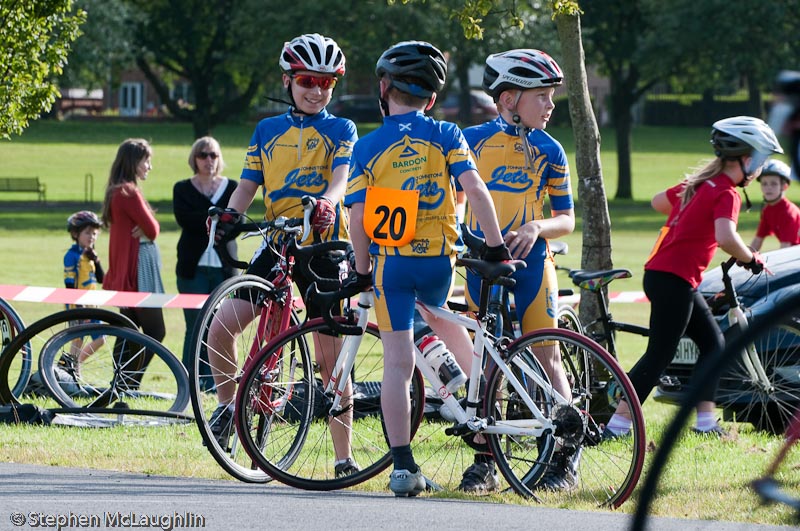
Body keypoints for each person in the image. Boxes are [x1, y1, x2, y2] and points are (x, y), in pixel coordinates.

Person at [344, 40, 510, 497]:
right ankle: (480, 426)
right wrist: (495, 247)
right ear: (432, 99)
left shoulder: (368, 146)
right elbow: (476, 190)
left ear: (384, 88)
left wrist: (361, 271)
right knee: (450, 332)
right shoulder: (448, 134)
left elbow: (357, 217)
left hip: (391, 267)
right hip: (438, 261)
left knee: (397, 365)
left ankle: (402, 467)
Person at [206, 33, 359, 476]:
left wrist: (328, 202)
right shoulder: (266, 130)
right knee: (220, 326)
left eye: (327, 83)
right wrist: (228, 216)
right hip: (278, 242)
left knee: (331, 358)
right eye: (308, 80)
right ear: (288, 80)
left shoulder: (341, 128)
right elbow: (248, 184)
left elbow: (341, 178)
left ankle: (343, 458)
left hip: (325, 246)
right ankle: (226, 408)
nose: (317, 91)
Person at [603, 116, 783, 440]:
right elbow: (726, 236)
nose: (759, 170)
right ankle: (616, 426)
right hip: (674, 278)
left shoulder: (700, 185)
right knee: (660, 355)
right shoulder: (726, 191)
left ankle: (705, 423)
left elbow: (659, 201)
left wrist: (693, 207)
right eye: (760, 160)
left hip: (667, 275)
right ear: (747, 158)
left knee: (713, 344)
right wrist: (751, 259)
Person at [460, 48, 576, 493]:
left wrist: (535, 225)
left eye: (551, 96)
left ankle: (565, 460)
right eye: (542, 96)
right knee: (487, 362)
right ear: (508, 98)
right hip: (481, 265)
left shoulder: (550, 148)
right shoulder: (469, 140)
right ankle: (486, 460)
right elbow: (453, 198)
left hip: (532, 266)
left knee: (546, 355)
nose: (550, 105)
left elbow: (566, 218)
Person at [173, 136, 238, 390]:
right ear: (194, 159)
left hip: (224, 267)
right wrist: (214, 219)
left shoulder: (232, 187)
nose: (208, 160)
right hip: (193, 267)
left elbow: (236, 220)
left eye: (213, 155)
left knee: (221, 325)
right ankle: (190, 380)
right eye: (203, 155)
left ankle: (217, 382)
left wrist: (218, 225)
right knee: (195, 324)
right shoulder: (182, 188)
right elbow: (184, 219)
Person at [101, 138, 166, 387]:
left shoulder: (117, 190)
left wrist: (148, 229)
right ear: (133, 162)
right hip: (138, 274)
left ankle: (120, 384)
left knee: (128, 329)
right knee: (155, 331)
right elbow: (153, 228)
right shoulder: (128, 192)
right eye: (146, 160)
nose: (149, 166)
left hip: (130, 271)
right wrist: (150, 227)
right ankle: (129, 383)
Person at [63, 210, 106, 370]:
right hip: (78, 306)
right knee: (77, 341)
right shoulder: (71, 256)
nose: (92, 237)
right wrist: (78, 307)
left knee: (100, 339)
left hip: (92, 305)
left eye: (94, 234)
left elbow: (102, 279)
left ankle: (73, 366)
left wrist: (97, 260)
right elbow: (69, 284)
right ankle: (72, 370)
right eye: (87, 233)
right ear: (75, 233)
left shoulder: (90, 255)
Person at [750, 158, 800, 251]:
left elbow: (785, 249)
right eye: (764, 184)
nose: (768, 188)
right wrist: (744, 260)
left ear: (784, 186)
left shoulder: (788, 213)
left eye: (774, 184)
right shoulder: (768, 209)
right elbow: (757, 240)